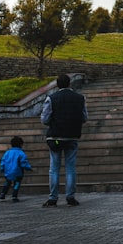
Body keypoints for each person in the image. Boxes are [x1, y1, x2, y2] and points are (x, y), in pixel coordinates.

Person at [40, 73, 88, 207]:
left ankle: (53, 198)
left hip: (55, 136)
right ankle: (70, 196)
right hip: (72, 136)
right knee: (70, 167)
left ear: (57, 84)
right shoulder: (80, 98)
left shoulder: (51, 98)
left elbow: (44, 119)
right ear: (69, 83)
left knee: (54, 168)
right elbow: (84, 117)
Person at [0, 136, 33, 202]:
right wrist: (29, 168)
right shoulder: (21, 153)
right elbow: (24, 163)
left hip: (8, 171)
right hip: (18, 171)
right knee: (17, 183)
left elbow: (3, 161)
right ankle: (14, 196)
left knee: (7, 182)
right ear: (21, 144)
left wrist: (2, 168)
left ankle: (3, 193)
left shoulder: (7, 153)